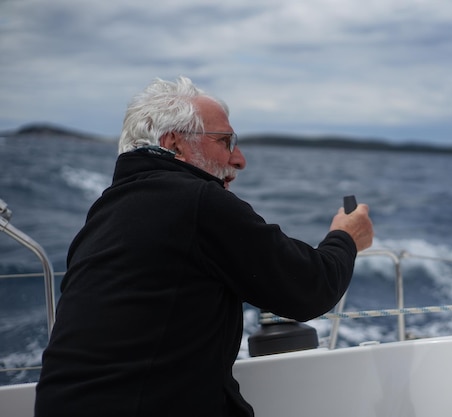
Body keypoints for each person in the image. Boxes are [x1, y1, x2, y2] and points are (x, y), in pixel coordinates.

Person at [34, 76, 374, 417]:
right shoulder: (195, 200)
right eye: (225, 141)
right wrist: (345, 237)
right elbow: (310, 287)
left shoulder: (106, 211)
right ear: (175, 144)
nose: (239, 159)